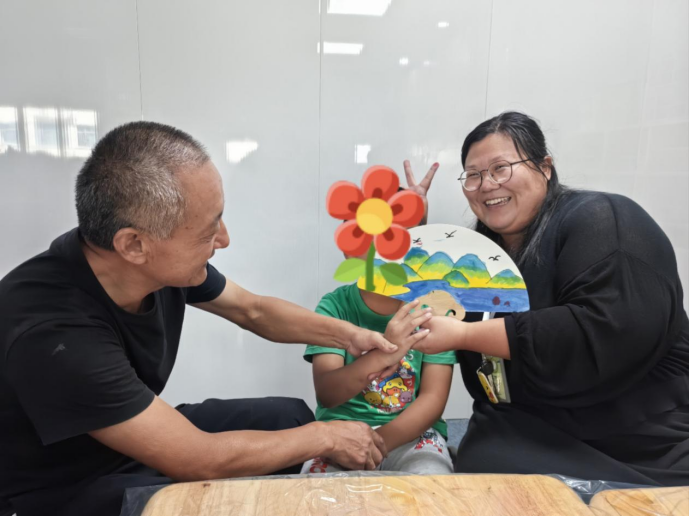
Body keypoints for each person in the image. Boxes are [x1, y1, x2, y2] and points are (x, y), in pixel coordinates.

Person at [0, 122, 421, 515]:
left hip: (125, 438)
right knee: (207, 499)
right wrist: (327, 435)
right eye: (208, 230)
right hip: (66, 482)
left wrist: (350, 335)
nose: (224, 238)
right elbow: (198, 458)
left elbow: (253, 309)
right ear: (134, 245)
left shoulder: (146, 264)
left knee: (289, 417)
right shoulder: (54, 333)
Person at [415, 111, 689, 486]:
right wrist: (410, 235)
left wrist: (464, 335)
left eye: (500, 168)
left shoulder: (603, 218)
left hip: (634, 436)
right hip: (519, 426)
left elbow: (603, 329)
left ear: (544, 167)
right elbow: (425, 312)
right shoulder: (482, 255)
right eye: (473, 175)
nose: (486, 184)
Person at [301, 271, 456, 475]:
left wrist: (375, 445)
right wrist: (381, 357)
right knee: (314, 487)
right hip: (340, 433)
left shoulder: (433, 310)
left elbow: (433, 398)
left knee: (433, 482)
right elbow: (328, 394)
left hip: (415, 434)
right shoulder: (335, 305)